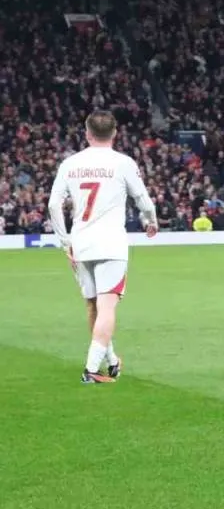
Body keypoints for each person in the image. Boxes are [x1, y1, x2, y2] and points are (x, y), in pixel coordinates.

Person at [46, 111, 158, 384]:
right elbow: (143, 199)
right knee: (107, 307)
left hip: (81, 242)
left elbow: (53, 204)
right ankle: (91, 370)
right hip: (111, 243)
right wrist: (151, 221)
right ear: (115, 133)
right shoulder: (123, 163)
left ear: (87, 133)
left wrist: (65, 241)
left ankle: (111, 360)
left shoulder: (71, 163)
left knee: (93, 306)